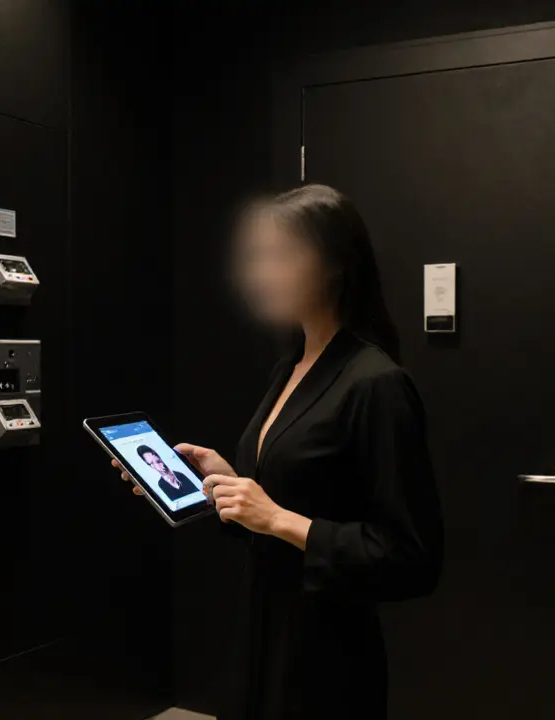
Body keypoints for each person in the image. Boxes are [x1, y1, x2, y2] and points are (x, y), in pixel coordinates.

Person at [112, 185, 443, 719]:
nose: (261, 274)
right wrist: (225, 482)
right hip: (262, 633)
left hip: (327, 658)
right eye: (258, 256)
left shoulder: (376, 383)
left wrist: (277, 518)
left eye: (281, 255)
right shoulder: (289, 368)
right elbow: (282, 504)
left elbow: (412, 557)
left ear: (335, 265)